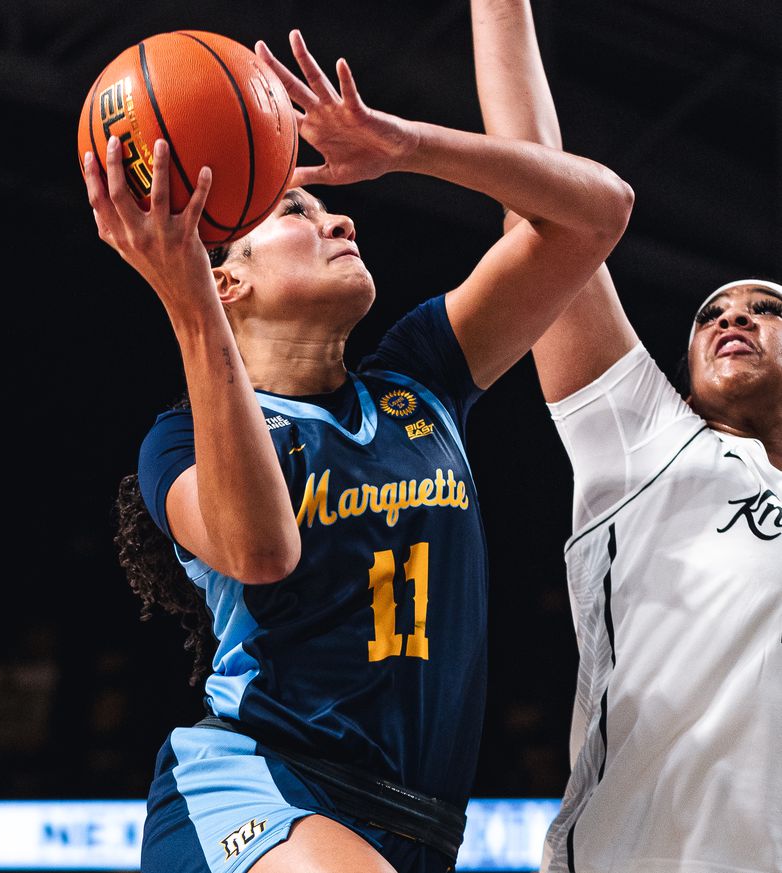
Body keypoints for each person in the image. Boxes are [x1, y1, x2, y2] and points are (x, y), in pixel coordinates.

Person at [84, 29, 632, 873]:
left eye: (323, 204)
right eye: (295, 213)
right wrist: (184, 295)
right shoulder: (181, 439)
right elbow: (262, 550)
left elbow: (599, 211)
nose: (337, 215)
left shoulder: (422, 378)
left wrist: (406, 144)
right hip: (261, 787)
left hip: (421, 819)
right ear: (227, 279)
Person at [470, 2, 782, 871]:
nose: (736, 318)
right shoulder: (651, 444)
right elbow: (545, 213)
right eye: (713, 313)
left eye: (767, 309)